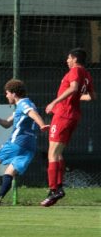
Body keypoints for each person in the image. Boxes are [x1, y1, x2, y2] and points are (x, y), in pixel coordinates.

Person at [0, 79, 49, 208]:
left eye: (7, 93)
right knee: (9, 172)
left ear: (14, 93)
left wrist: (42, 125)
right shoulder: (26, 105)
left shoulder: (23, 104)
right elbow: (7, 124)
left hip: (17, 142)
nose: (6, 96)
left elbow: (33, 114)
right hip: (30, 146)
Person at [41, 48, 96, 207]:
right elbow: (92, 96)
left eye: (68, 58)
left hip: (63, 115)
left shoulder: (76, 71)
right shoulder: (86, 74)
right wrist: (75, 98)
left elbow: (73, 88)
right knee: (57, 154)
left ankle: (54, 189)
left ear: (74, 59)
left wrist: (55, 102)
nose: (67, 60)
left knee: (52, 153)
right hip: (72, 115)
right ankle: (58, 188)